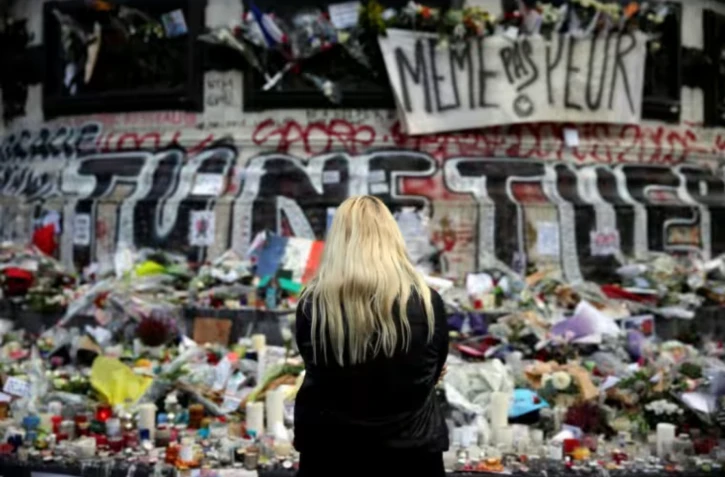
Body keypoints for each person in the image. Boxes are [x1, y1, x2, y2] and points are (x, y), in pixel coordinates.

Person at [294, 195, 449, 477]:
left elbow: (314, 365)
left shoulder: (312, 305)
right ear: (392, 237)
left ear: (338, 240)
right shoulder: (428, 303)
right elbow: (433, 372)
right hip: (412, 457)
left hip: (330, 455)